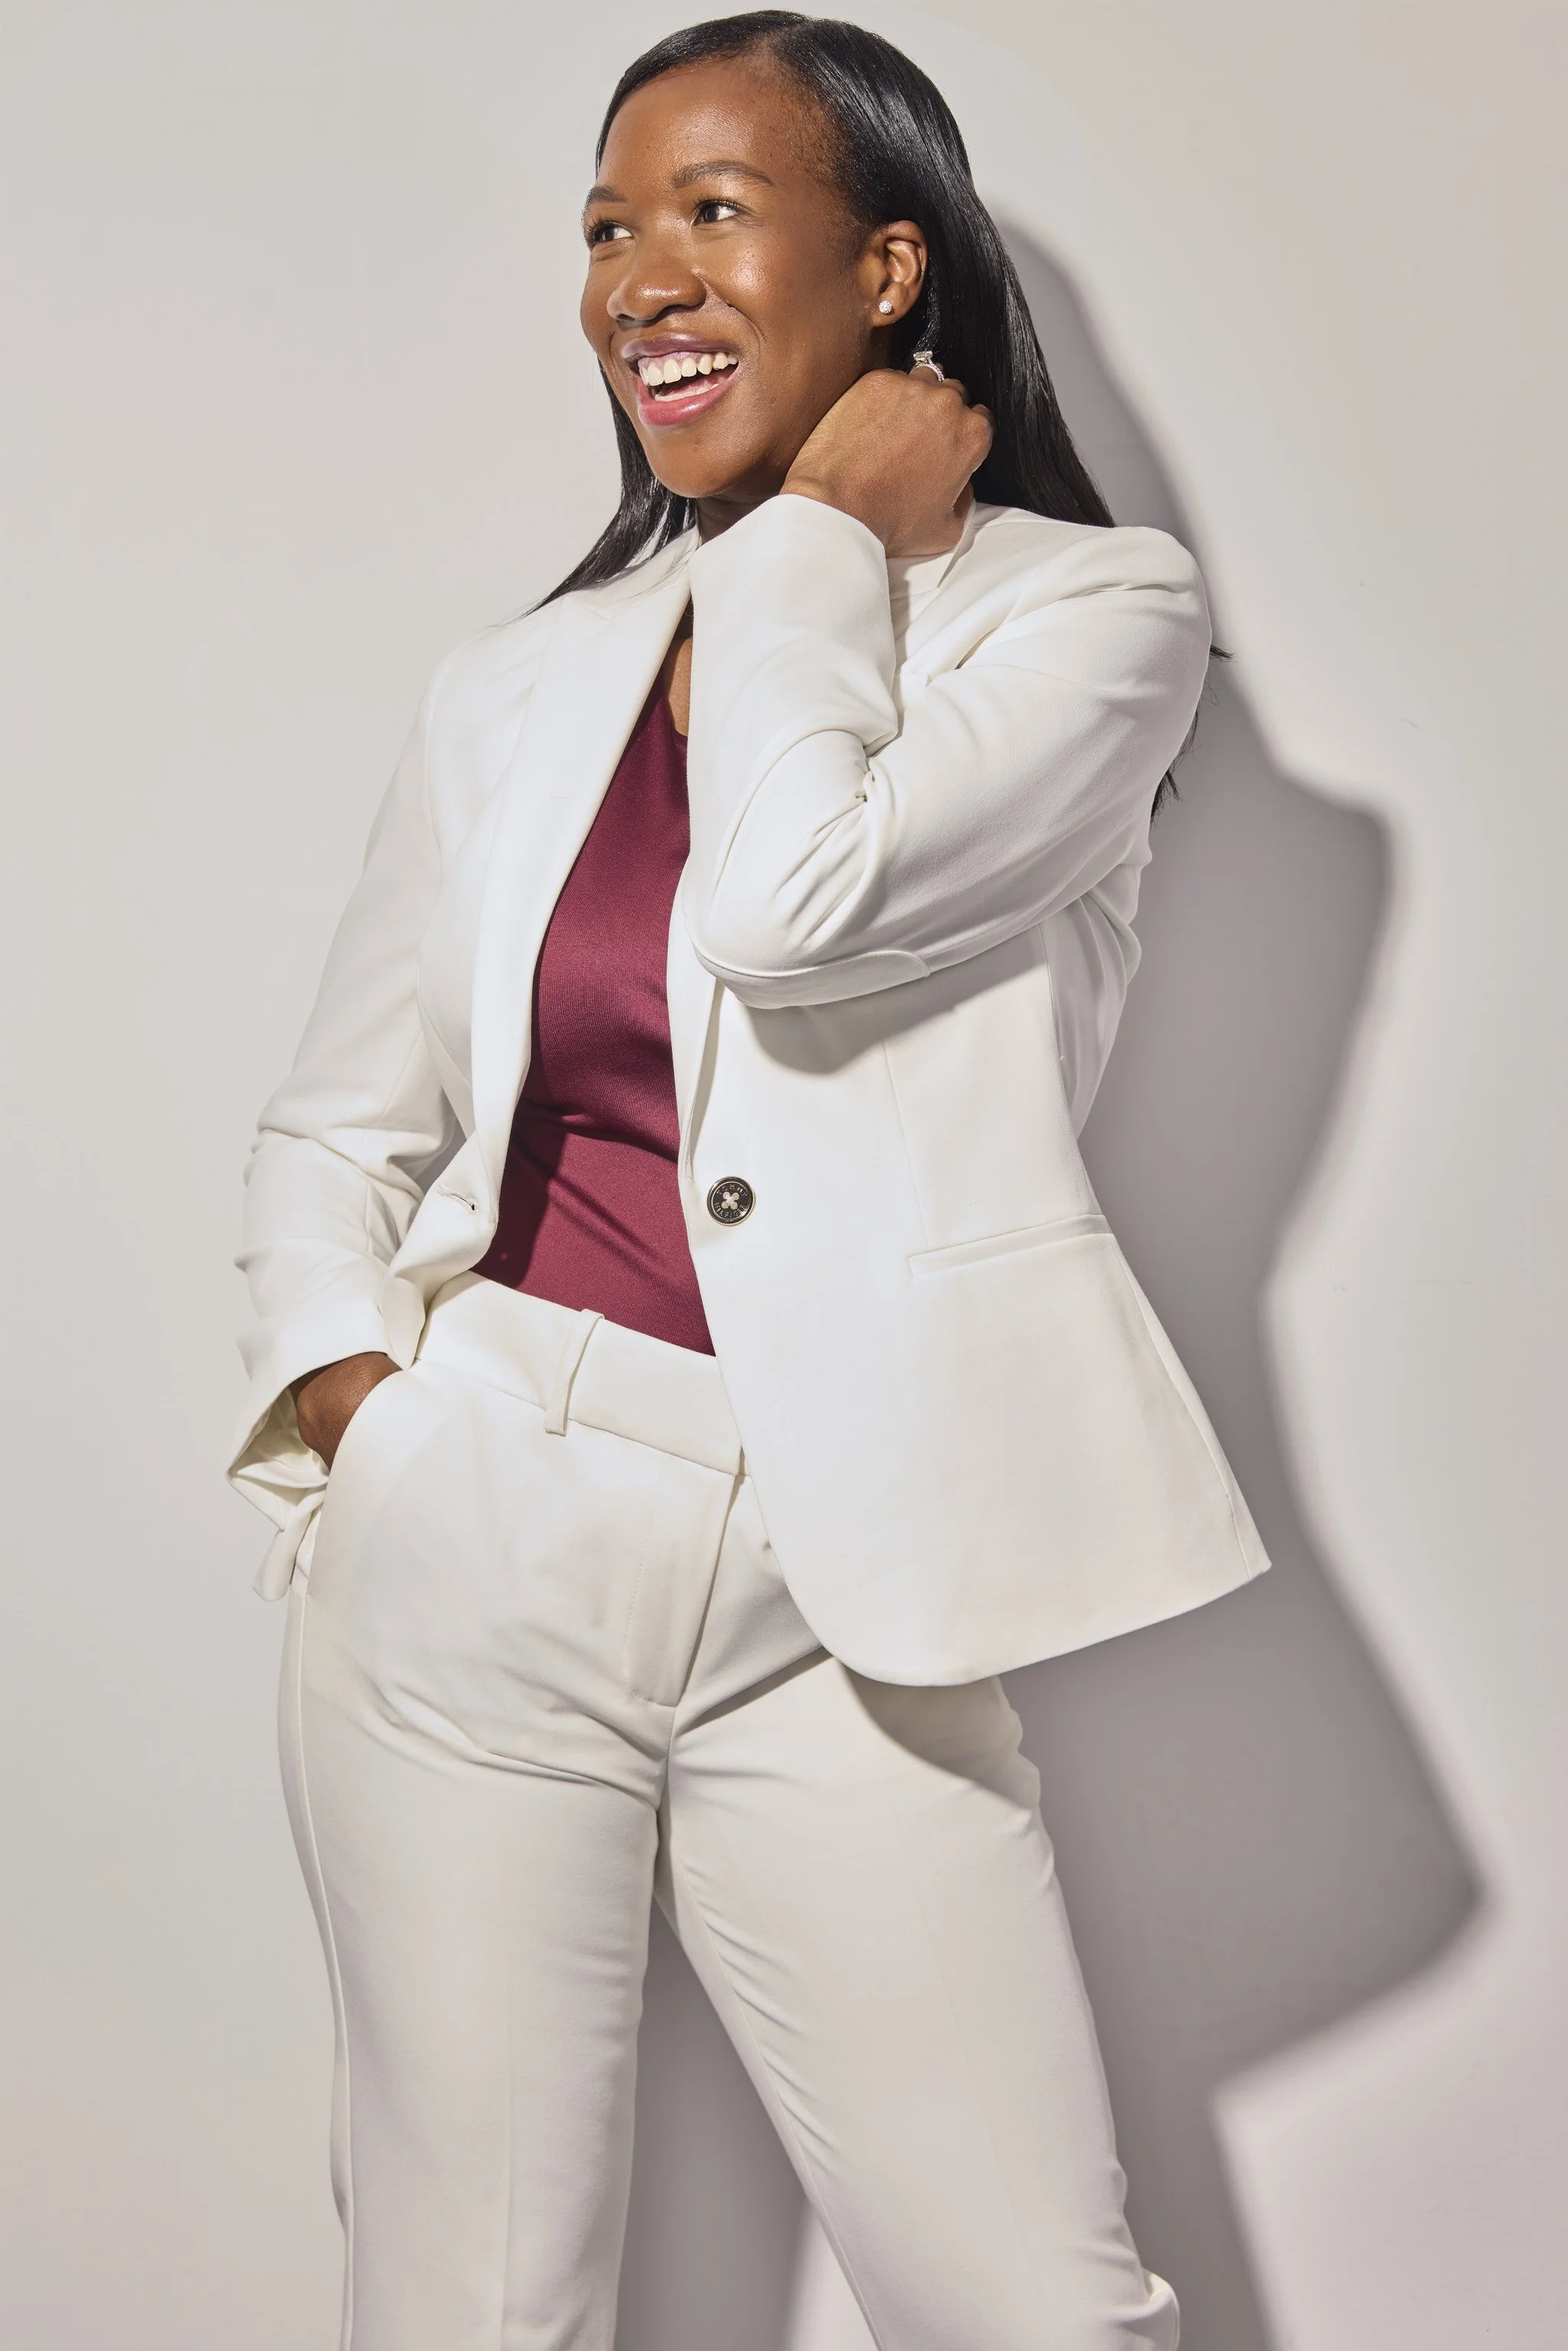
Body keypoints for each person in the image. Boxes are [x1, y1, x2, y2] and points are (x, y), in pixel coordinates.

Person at [230, 13, 1267, 2347]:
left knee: (1038, 2307)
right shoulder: (519, 688)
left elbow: (794, 900)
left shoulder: (1089, 622)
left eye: (712, 209)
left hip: (853, 1576)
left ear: (891, 266)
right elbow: (335, 1126)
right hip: (479, 1521)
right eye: (609, 226)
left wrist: (804, 548)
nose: (640, 281)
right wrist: (365, 1416)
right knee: (475, 2303)